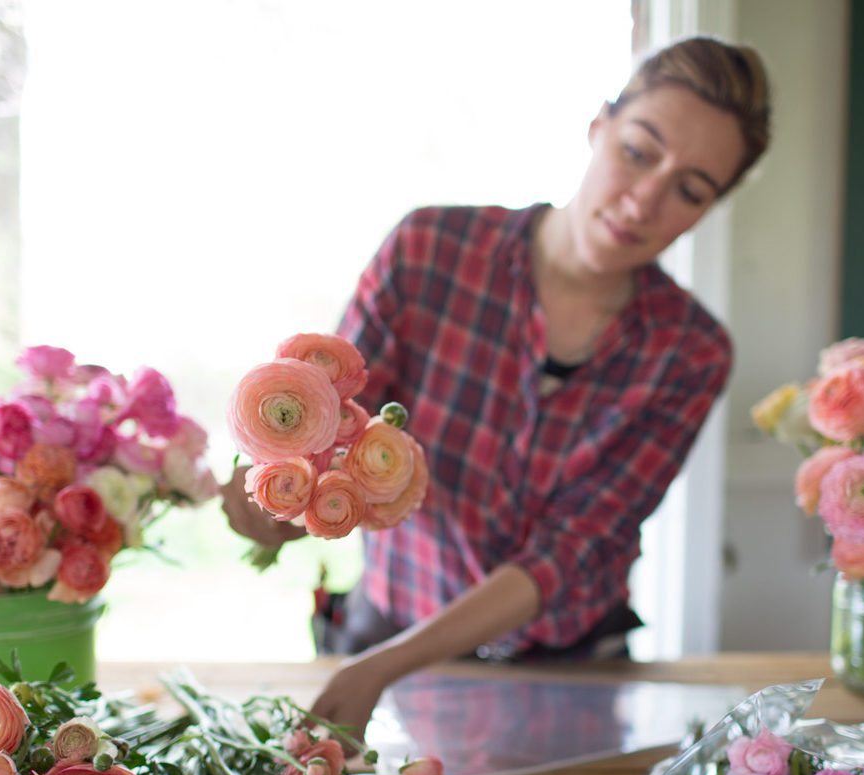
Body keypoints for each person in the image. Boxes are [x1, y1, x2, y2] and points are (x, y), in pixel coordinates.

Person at [221, 36, 772, 738]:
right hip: (387, 626)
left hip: (568, 669)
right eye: (637, 151)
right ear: (598, 127)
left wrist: (386, 665)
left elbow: (574, 547)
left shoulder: (689, 352)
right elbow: (331, 426)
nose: (643, 200)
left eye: (690, 189)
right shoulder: (428, 253)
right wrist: (268, 498)